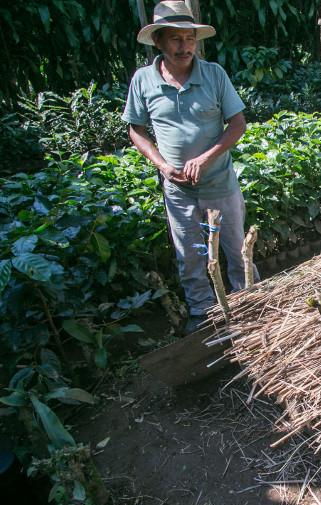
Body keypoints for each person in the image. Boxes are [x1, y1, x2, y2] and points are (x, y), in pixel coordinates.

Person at [122, 1, 257, 333]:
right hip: (178, 190)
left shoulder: (213, 75)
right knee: (191, 257)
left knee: (237, 250)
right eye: (175, 39)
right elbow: (135, 130)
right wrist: (163, 166)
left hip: (219, 183)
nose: (184, 47)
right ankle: (203, 315)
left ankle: (251, 306)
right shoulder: (143, 81)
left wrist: (205, 157)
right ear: (159, 42)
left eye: (190, 39)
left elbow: (237, 124)